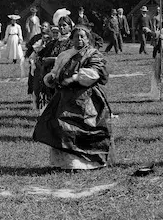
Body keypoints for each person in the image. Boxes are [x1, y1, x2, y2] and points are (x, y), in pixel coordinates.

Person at [32, 25, 112, 170]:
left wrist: (75, 78)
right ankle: (65, 162)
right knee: (60, 127)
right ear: (72, 38)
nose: (79, 39)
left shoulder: (93, 54)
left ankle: (86, 162)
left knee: (84, 127)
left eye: (83, 36)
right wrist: (51, 78)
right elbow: (56, 71)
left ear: (88, 39)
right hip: (64, 97)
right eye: (77, 36)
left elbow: (95, 73)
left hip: (85, 97)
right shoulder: (65, 54)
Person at [25, 21, 52, 107]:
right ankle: (34, 98)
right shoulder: (36, 37)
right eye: (42, 26)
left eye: (45, 26)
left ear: (48, 28)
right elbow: (30, 48)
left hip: (46, 64)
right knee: (33, 81)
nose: (43, 28)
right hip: (36, 63)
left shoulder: (51, 38)